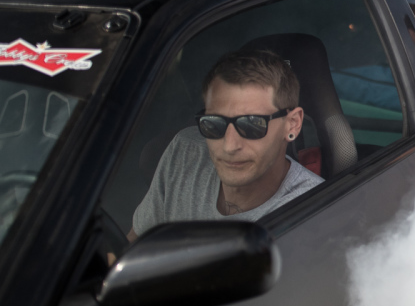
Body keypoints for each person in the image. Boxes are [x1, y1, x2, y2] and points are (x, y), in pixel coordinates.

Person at [129, 50, 323, 239]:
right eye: (214, 123)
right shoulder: (185, 151)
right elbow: (132, 245)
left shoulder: (316, 215)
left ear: (293, 124)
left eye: (252, 124)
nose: (229, 146)